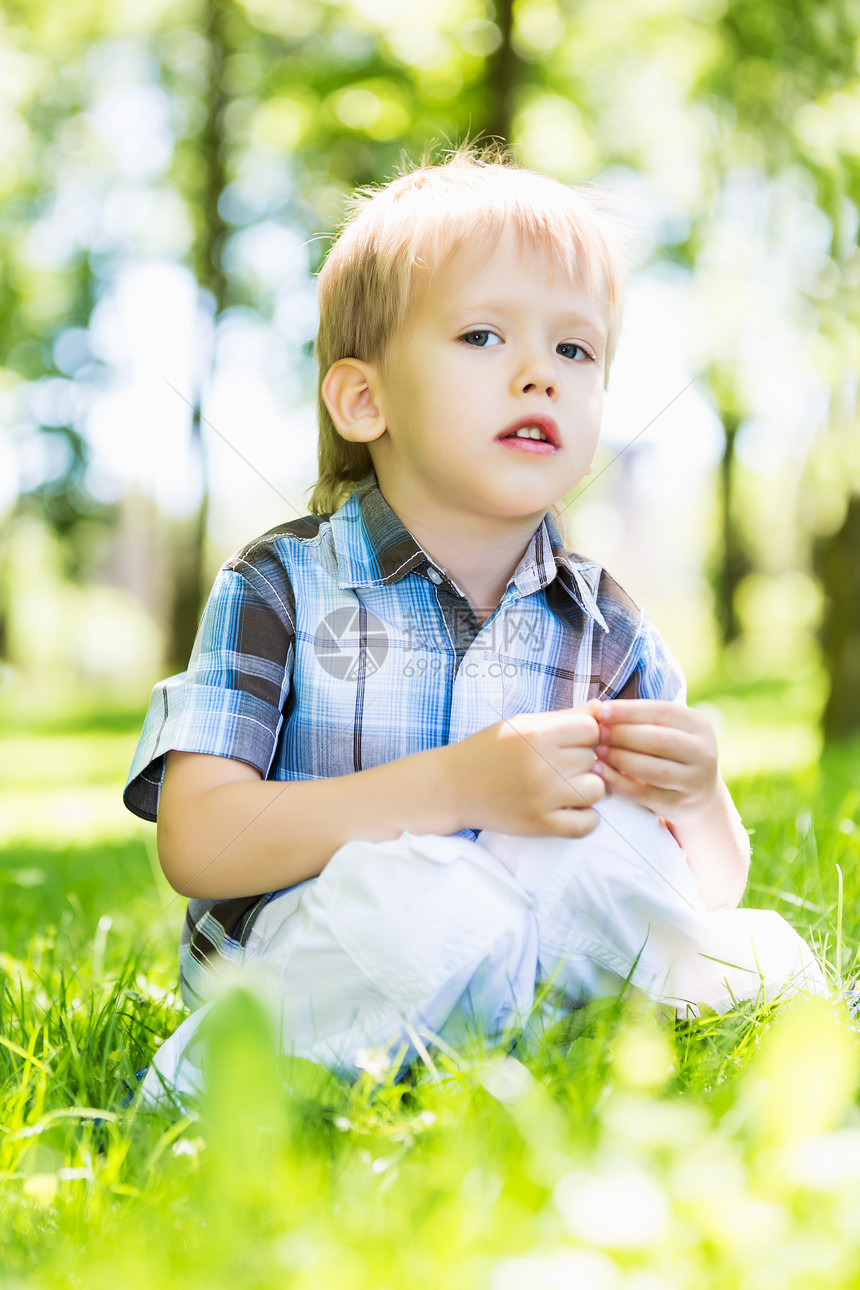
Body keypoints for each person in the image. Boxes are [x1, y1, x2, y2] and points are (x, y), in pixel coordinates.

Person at [124, 145, 823, 1108]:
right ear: (365, 399)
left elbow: (698, 880)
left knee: (635, 866)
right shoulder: (280, 585)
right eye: (485, 336)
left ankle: (556, 1021)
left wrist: (699, 801)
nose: (540, 374)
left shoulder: (607, 628)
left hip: (523, 946)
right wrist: (458, 786)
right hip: (326, 954)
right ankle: (210, 1075)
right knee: (435, 902)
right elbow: (198, 843)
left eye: (575, 350)